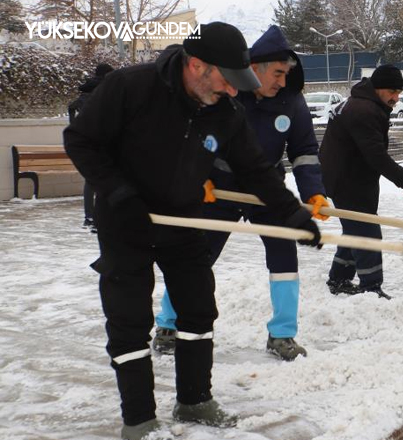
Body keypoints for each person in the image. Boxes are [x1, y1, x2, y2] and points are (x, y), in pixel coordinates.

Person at [63, 22, 322, 440]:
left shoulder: (224, 110)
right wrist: (118, 194)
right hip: (126, 219)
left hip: (183, 217)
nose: (234, 92)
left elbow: (255, 169)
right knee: (129, 319)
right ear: (197, 65)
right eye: (227, 80)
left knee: (198, 308)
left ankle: (194, 400)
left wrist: (292, 215)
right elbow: (81, 140)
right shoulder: (131, 87)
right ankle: (140, 420)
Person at [151, 25, 327, 362]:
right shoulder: (228, 93)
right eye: (277, 73)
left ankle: (282, 335)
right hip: (219, 188)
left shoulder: (292, 102)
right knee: (195, 257)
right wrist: (197, 176)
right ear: (255, 69)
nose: (282, 81)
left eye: (286, 74)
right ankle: (169, 324)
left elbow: (304, 152)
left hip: (267, 191)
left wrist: (314, 193)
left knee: (284, 259)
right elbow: (197, 136)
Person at [319, 64, 403, 298]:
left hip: (348, 175)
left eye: (399, 92)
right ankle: (371, 287)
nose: (396, 98)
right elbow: (376, 155)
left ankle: (339, 279)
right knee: (367, 232)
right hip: (347, 179)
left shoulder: (360, 103)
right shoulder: (363, 110)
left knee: (355, 228)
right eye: (392, 92)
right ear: (377, 88)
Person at [68, 62, 114, 233]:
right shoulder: (105, 91)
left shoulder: (83, 94)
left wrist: (76, 128)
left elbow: (71, 112)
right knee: (107, 179)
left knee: (91, 180)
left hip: (88, 142)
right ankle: (100, 217)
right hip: (104, 141)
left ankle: (89, 216)